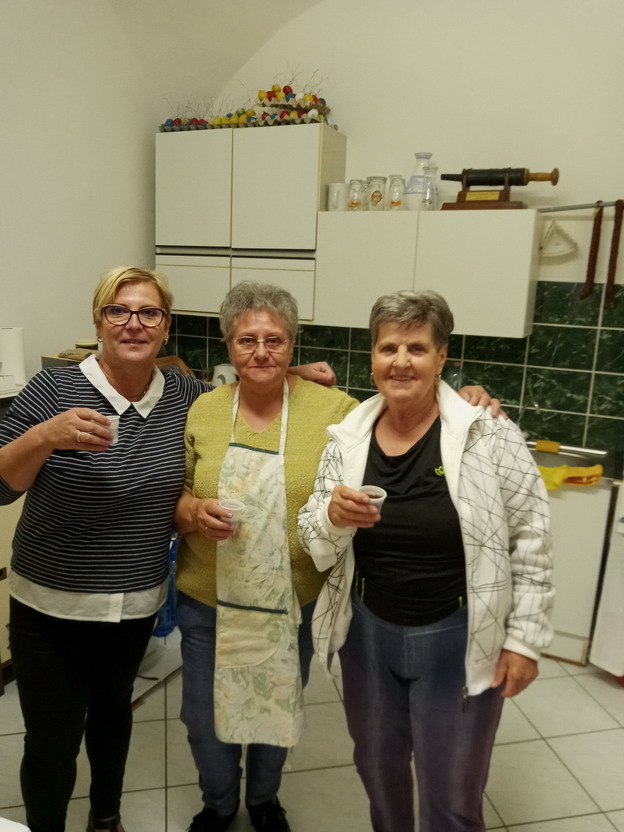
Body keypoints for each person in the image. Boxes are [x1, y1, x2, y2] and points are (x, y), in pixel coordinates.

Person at [0, 267, 331, 832]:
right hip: (51, 605)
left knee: (112, 718)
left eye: (148, 312)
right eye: (118, 311)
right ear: (99, 322)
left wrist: (288, 368)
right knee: (53, 742)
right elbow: (3, 485)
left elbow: (243, 387)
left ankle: (106, 819)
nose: (133, 323)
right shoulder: (54, 389)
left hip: (133, 603)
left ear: (165, 326)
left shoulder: (181, 393)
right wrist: (44, 436)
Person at [172, 281, 502, 832]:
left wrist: (465, 399)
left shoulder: (336, 411)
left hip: (296, 598)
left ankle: (264, 800)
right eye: (247, 340)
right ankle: (219, 803)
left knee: (278, 706)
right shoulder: (203, 410)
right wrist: (193, 512)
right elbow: (176, 494)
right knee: (204, 719)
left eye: (275, 340)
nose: (261, 352)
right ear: (228, 345)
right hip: (209, 600)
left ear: (292, 344)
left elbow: (406, 410)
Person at [298, 289, 554, 832]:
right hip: (368, 634)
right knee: (377, 769)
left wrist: (524, 640)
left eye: (416, 348)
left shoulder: (489, 435)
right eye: (388, 347)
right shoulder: (347, 440)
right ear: (372, 358)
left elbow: (532, 537)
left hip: (458, 633)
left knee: (452, 792)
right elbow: (315, 543)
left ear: (441, 357)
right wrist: (332, 518)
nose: (401, 361)